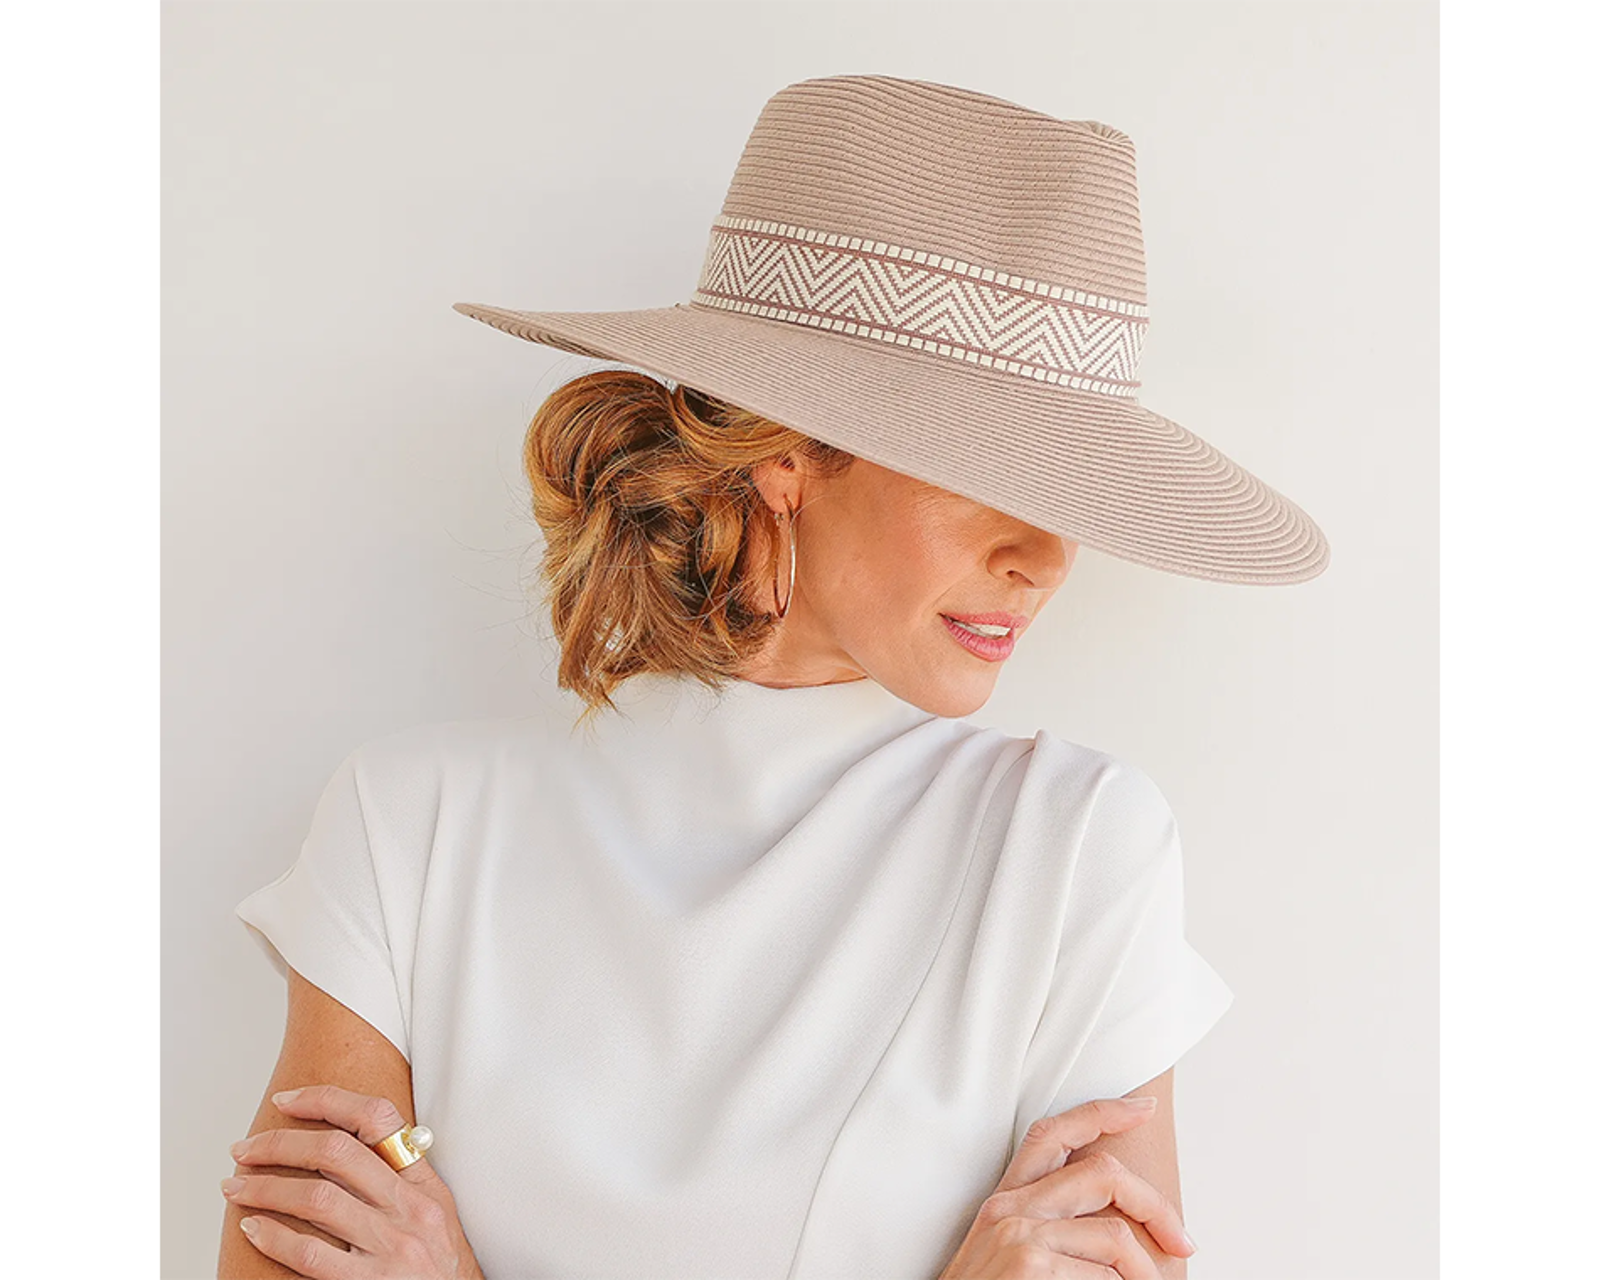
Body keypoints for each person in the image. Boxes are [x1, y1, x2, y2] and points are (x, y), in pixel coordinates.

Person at [217, 74, 1329, 1280]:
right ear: (786, 453)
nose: (1047, 558)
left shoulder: (1069, 846)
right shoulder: (412, 828)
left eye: (1067, 495)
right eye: (991, 473)